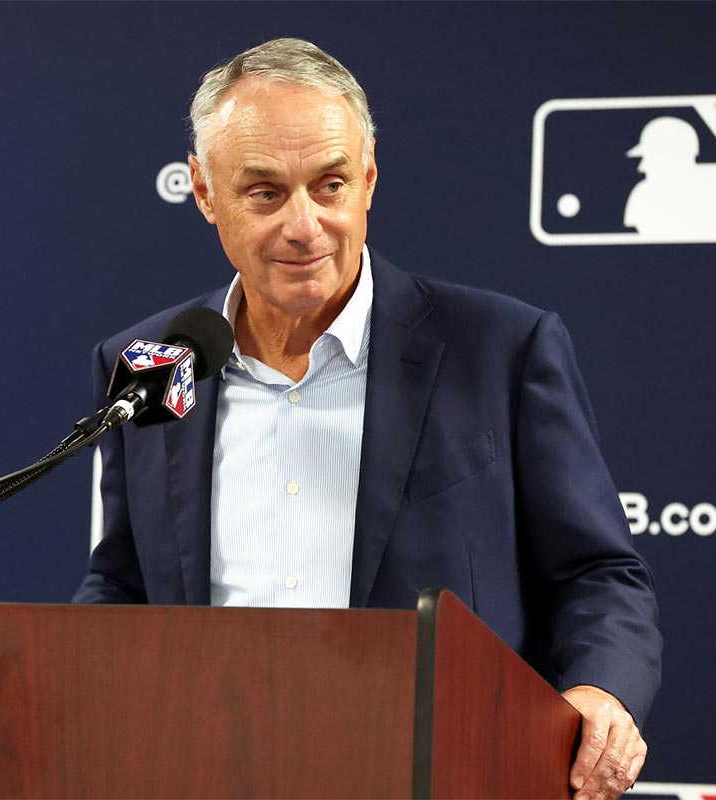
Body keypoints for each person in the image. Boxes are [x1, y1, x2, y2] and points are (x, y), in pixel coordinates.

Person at [74, 38, 661, 800]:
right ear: (206, 195)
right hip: (206, 771)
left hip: (438, 774)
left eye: (330, 185)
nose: (305, 225)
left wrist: (600, 692)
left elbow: (598, 573)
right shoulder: (154, 362)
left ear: (369, 180)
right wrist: (75, 690)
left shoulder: (501, 349)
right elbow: (123, 579)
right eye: (264, 192)